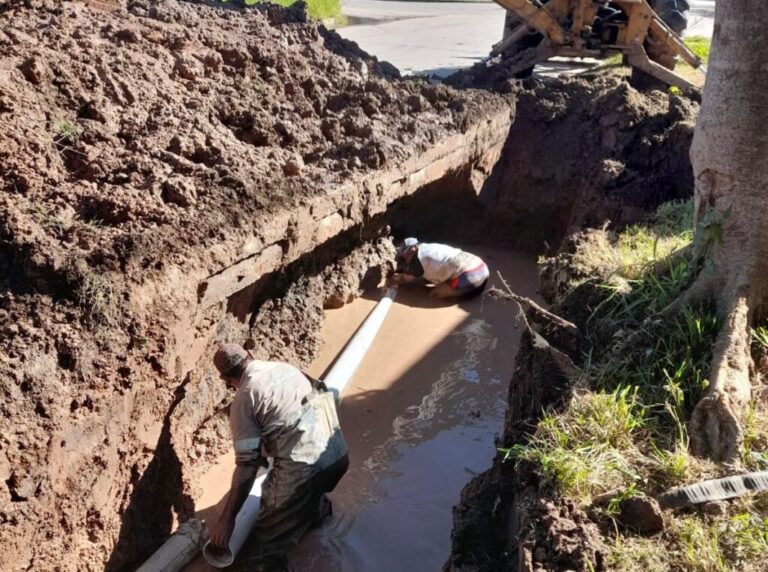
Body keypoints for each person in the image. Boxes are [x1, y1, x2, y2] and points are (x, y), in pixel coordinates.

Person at [209, 343, 349, 570]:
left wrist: (227, 520)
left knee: (261, 554)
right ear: (250, 355)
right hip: (338, 456)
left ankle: (295, 520)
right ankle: (316, 513)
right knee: (299, 497)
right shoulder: (285, 368)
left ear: (225, 379)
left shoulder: (244, 399)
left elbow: (247, 467)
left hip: (306, 470)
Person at [389, 238, 490, 300]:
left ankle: (460, 292)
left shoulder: (417, 260)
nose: (406, 256)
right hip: (481, 267)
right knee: (427, 277)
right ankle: (472, 289)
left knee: (436, 293)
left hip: (470, 275)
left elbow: (403, 280)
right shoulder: (425, 247)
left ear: (414, 247)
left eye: (407, 252)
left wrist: (391, 279)